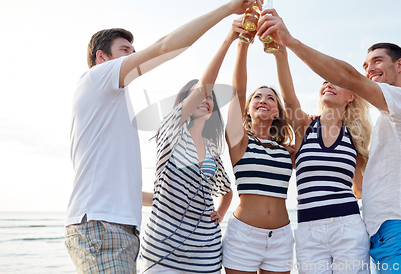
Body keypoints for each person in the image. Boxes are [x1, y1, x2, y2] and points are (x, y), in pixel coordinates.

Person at [65, 0, 263, 273]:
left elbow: (216, 191)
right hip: (104, 227)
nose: (134, 57)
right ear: (101, 57)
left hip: (126, 229)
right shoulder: (98, 79)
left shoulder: (113, 104)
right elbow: (165, 47)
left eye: (134, 52)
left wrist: (204, 210)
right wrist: (228, 13)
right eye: (125, 51)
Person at [257, 10, 401, 273]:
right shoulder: (381, 123)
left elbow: (358, 184)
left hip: (370, 226)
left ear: (351, 95)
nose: (369, 70)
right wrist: (280, 54)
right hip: (351, 229)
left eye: (377, 62)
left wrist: (289, 41)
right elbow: (366, 188)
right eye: (366, 66)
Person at [139, 20, 246, 273]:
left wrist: (219, 213)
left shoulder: (212, 151)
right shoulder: (171, 131)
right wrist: (228, 39)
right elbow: (203, 86)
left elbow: (226, 191)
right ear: (182, 104)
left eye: (210, 99)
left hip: (206, 253)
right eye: (199, 96)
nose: (205, 99)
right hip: (162, 252)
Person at [273, 45, 373, 274]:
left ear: (351, 95)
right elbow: (289, 99)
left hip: (348, 227)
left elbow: (360, 190)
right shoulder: (304, 127)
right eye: (324, 82)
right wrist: (281, 54)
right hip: (309, 231)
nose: (327, 84)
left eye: (335, 81)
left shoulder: (355, 137)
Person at [222, 21, 295, 274]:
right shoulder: (239, 141)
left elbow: (291, 99)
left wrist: (280, 54)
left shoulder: (287, 150)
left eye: (270, 98)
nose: (263, 100)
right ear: (248, 109)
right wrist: (243, 43)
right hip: (244, 236)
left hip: (282, 237)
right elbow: (238, 91)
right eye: (258, 97)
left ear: (276, 112)